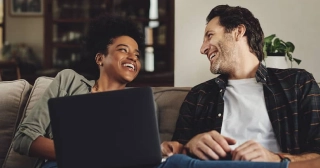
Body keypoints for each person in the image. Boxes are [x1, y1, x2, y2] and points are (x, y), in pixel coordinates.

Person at [160, 4, 320, 168]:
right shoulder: (199, 95)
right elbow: (173, 159)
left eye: (210, 36)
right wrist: (189, 146)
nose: (203, 49)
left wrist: (275, 159)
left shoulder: (297, 83)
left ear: (238, 32)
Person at [13, 13, 144, 168]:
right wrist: (84, 154)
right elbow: (23, 139)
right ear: (100, 58)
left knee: (179, 161)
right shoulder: (69, 82)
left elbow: (140, 154)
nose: (133, 58)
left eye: (137, 55)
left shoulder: (139, 105)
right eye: (124, 50)